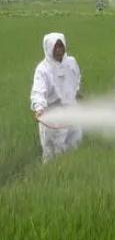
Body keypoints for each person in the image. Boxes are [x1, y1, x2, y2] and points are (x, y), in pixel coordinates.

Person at [30, 33, 83, 163]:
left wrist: (76, 92)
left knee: (74, 144)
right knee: (54, 153)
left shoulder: (70, 62)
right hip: (53, 115)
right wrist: (39, 108)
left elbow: (76, 78)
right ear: (48, 48)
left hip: (72, 110)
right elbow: (38, 91)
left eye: (61, 46)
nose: (59, 50)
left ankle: (72, 173)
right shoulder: (43, 69)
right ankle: (52, 176)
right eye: (55, 47)